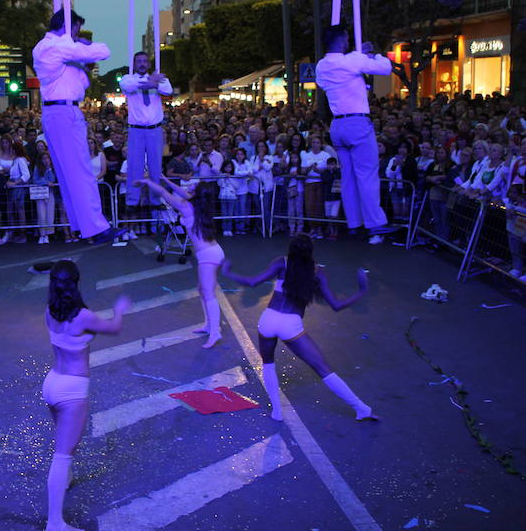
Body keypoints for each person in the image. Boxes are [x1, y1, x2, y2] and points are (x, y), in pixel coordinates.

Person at [219, 234, 377, 421]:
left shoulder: (281, 263)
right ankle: (361, 408)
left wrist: (228, 273)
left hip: (268, 319)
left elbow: (253, 282)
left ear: (291, 249)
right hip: (290, 325)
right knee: (322, 368)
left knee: (268, 363)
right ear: (310, 251)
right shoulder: (318, 272)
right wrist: (361, 291)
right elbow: (336, 305)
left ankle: (276, 411)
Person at [42, 260, 130, 531]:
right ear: (76, 283)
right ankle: (55, 523)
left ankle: (65, 481)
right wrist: (119, 310)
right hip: (72, 390)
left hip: (52, 383)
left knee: (67, 446)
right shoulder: (82, 316)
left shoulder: (49, 311)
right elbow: (113, 328)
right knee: (62, 456)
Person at [32, 9, 124, 244]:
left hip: (66, 111)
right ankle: (96, 227)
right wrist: (83, 45)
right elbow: (103, 51)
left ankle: (87, 226)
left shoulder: (61, 52)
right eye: (76, 29)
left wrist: (78, 58)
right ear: (66, 26)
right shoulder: (53, 46)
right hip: (60, 112)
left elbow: (83, 82)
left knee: (73, 173)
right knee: (79, 172)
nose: (77, 34)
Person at [315, 25, 395, 244]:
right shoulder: (350, 61)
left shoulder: (322, 66)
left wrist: (359, 55)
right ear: (342, 40)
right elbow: (385, 67)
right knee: (367, 176)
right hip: (357, 123)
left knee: (349, 177)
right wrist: (373, 55)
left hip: (337, 125)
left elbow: (334, 75)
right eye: (347, 38)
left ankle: (354, 222)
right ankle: (375, 223)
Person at [136, 178, 224, 348]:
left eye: (194, 185)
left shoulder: (186, 206)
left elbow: (163, 193)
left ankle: (215, 332)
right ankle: (208, 326)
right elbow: (179, 190)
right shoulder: (196, 203)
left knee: (208, 292)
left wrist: (147, 181)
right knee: (203, 290)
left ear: (197, 192)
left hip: (209, 255)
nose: (191, 184)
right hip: (211, 252)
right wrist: (163, 178)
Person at [120, 51, 172, 210]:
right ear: (134, 64)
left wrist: (154, 83)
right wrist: (152, 82)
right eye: (139, 61)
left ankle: (155, 200)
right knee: (135, 164)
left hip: (155, 130)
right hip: (136, 130)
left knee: (156, 165)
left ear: (148, 64)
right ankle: (132, 200)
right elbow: (127, 86)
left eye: (144, 61)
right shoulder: (128, 78)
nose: (142, 64)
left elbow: (168, 90)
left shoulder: (160, 78)